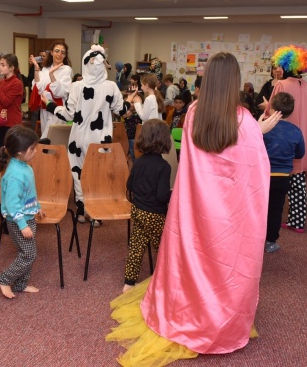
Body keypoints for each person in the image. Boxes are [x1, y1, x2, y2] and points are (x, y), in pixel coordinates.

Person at [106, 52, 280, 364]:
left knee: (195, 264)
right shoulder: (244, 121)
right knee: (224, 268)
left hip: (196, 210)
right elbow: (252, 174)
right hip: (230, 218)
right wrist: (258, 130)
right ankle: (218, 322)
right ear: (234, 83)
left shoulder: (195, 113)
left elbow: (197, 160)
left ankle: (187, 313)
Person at [43, 44, 127, 224]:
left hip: (78, 138)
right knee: (98, 174)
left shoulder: (76, 86)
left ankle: (81, 210)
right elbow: (121, 110)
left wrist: (49, 105)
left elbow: (68, 114)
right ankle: (96, 213)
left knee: (78, 173)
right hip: (101, 141)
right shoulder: (111, 86)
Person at [268, 45, 307, 233]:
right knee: (298, 184)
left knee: (274, 186)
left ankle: (268, 219)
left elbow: (271, 111)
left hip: (282, 139)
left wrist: (266, 104)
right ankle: (297, 221)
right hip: (301, 139)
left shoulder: (281, 85)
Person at [123, 119, 172, 293]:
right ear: (165, 140)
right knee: (164, 247)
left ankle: (128, 284)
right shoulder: (164, 167)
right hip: (155, 215)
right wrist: (173, 193)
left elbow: (129, 185)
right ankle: (168, 279)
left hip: (137, 210)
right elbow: (161, 196)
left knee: (136, 246)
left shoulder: (138, 162)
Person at [0, 125, 44, 299]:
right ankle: (5, 279)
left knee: (27, 253)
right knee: (29, 254)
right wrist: (23, 225)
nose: (36, 151)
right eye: (32, 148)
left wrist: (36, 207)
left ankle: (21, 285)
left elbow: (28, 194)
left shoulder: (24, 166)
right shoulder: (15, 174)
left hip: (27, 217)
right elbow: (13, 204)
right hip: (18, 222)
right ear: (20, 152)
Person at [263, 92, 305, 253]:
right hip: (282, 177)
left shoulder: (262, 126)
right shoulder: (296, 131)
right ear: (291, 111)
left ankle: (253, 239)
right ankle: (270, 242)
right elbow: (300, 154)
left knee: (257, 208)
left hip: (262, 176)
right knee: (276, 209)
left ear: (271, 107)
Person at [30, 41, 72, 138]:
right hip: (44, 109)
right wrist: (36, 69)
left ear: (65, 55)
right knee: (47, 138)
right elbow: (37, 88)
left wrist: (52, 75)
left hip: (58, 109)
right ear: (52, 53)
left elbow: (60, 92)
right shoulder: (45, 69)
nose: (59, 54)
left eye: (63, 52)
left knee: (50, 139)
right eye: (57, 51)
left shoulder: (66, 69)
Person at [0, 54, 23, 152]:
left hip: (12, 124)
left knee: (9, 153)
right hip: (1, 121)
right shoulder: (2, 82)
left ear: (11, 68)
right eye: (0, 65)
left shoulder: (17, 83)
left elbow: (6, 102)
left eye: (3, 65)